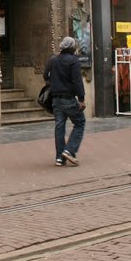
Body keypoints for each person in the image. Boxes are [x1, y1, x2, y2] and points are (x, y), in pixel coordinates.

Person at [43, 36, 86, 167]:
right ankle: (69, 150)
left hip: (55, 99)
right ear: (72, 47)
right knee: (80, 122)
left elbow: (45, 76)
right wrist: (81, 99)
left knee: (59, 127)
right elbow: (77, 81)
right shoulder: (74, 61)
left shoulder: (53, 60)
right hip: (69, 98)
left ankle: (59, 158)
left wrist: (54, 83)